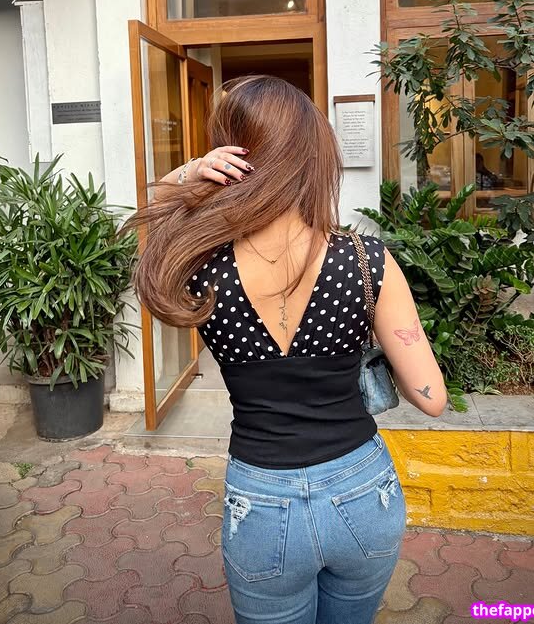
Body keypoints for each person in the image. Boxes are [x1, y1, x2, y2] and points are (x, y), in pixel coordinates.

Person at [120, 74, 447, 624]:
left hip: (260, 501)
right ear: (314, 155)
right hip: (362, 491)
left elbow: (147, 218)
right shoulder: (365, 260)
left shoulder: (199, 265)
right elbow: (430, 397)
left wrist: (190, 173)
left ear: (230, 154)